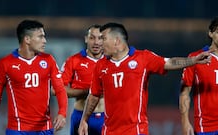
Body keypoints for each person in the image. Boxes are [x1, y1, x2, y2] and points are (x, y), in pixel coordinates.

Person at [78, 22, 212, 135]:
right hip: (109, 131)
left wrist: (193, 60)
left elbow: (169, 62)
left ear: (116, 41)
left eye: (103, 38)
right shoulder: (101, 65)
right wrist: (84, 119)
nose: (99, 43)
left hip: (136, 130)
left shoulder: (143, 58)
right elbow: (94, 95)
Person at [0, 20, 68, 135]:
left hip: (44, 128)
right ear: (27, 39)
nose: (45, 41)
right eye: (40, 37)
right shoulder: (5, 64)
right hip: (17, 129)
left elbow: (60, 89)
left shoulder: (48, 60)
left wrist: (62, 113)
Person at [54, 24, 105, 135]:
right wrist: (86, 92)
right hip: (80, 114)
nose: (96, 42)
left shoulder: (111, 62)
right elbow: (56, 89)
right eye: (92, 38)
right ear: (86, 39)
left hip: (105, 117)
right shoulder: (73, 60)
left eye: (100, 38)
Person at [179, 17, 218, 135]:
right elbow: (184, 93)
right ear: (210, 33)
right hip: (206, 127)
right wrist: (185, 122)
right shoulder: (196, 58)